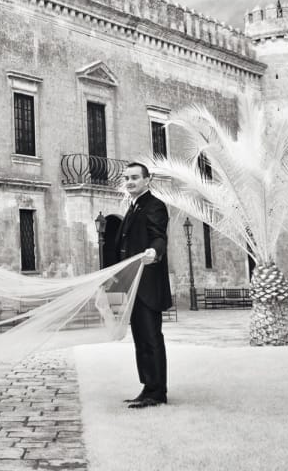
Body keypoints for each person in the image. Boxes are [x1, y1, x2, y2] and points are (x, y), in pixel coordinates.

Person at [115, 160, 172, 408]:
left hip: (148, 285)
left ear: (147, 180)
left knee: (151, 338)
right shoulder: (133, 206)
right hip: (133, 286)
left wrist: (153, 252)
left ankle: (158, 392)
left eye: (135, 178)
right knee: (140, 339)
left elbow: (159, 236)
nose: (130, 182)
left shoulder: (155, 206)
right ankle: (148, 387)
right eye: (127, 178)